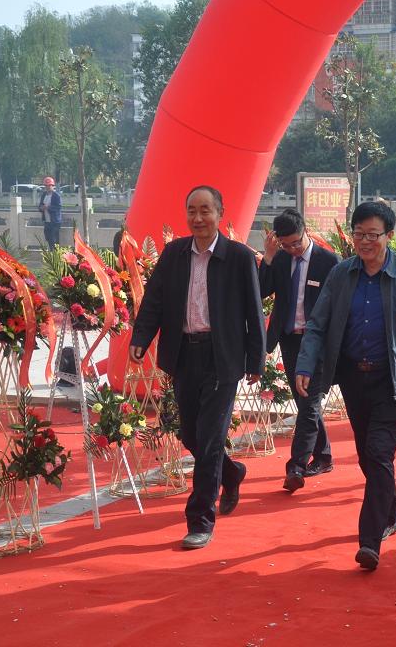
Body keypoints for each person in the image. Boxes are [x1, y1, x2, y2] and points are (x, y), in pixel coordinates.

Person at [295, 201, 396, 570]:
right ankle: (390, 512)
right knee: (369, 456)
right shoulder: (341, 274)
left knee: (377, 453)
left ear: (389, 236)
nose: (365, 241)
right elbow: (318, 323)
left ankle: (369, 541)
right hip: (354, 380)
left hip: (395, 381)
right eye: (359, 234)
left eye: (373, 235)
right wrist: (306, 363)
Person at [129, 185, 266, 550]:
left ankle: (200, 519)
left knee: (209, 440)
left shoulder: (238, 257)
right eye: (192, 210)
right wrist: (141, 337)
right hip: (184, 355)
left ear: (220, 213)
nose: (198, 217)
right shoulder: (174, 254)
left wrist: (256, 360)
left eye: (206, 210)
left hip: (223, 358)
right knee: (191, 435)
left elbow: (254, 311)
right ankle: (231, 471)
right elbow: (154, 300)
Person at [259, 208, 340, 493]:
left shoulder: (328, 261)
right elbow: (260, 291)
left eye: (296, 242)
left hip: (316, 342)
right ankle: (324, 456)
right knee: (304, 401)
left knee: (308, 402)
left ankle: (296, 466)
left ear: (305, 231)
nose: (293, 249)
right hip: (290, 339)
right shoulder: (280, 259)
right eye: (286, 245)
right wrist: (268, 257)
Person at [38, 176, 63, 248]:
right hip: (47, 221)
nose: (47, 187)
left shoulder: (56, 196)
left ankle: (55, 254)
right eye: (46, 186)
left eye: (49, 185)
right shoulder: (44, 195)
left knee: (54, 240)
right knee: (48, 238)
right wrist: (41, 208)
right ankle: (51, 253)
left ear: (53, 186)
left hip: (54, 222)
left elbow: (58, 207)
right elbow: (40, 205)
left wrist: (48, 207)